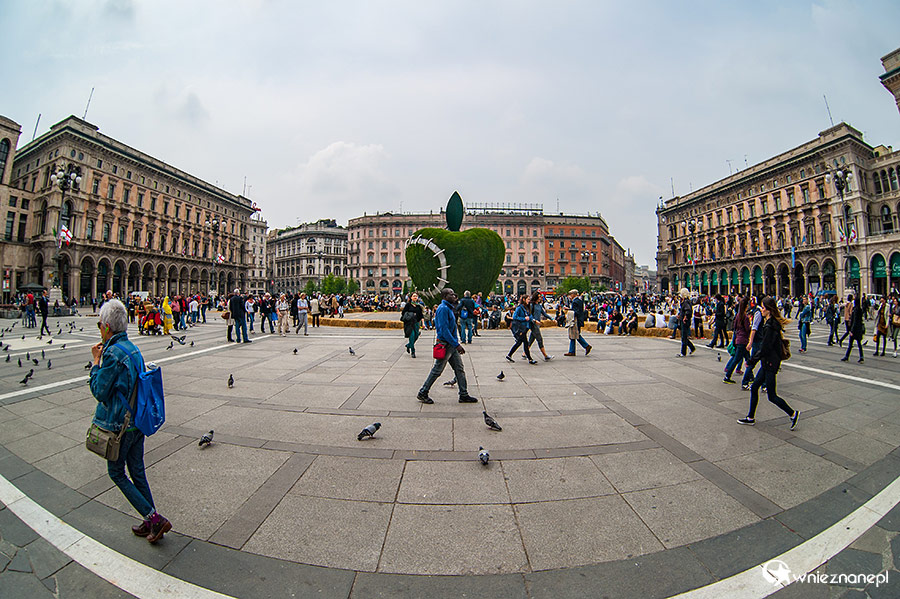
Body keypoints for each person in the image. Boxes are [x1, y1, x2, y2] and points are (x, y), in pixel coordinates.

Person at [90, 299, 171, 543]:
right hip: (137, 421)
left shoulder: (113, 354)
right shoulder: (133, 348)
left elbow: (100, 391)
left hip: (121, 425)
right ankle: (151, 522)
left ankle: (154, 519)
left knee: (116, 472)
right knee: (136, 470)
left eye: (100, 325)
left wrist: (95, 362)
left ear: (106, 327)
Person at [737, 296, 799, 430]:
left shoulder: (770, 326)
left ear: (769, 310)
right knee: (754, 388)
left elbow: (765, 348)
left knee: (772, 395)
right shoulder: (771, 323)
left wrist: (751, 361)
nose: (762, 310)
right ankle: (750, 417)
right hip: (768, 363)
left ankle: (792, 413)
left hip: (770, 363)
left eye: (763, 308)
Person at [417, 288, 478, 404]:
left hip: (451, 345)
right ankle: (423, 392)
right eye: (451, 294)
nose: (454, 295)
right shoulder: (443, 309)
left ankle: (463, 394)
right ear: (445, 296)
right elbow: (444, 330)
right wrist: (457, 345)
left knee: (459, 369)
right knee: (437, 370)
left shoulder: (448, 308)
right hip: (446, 344)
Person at [724, 296, 750, 384]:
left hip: (738, 340)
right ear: (746, 306)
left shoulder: (738, 316)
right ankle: (727, 376)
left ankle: (751, 376)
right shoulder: (745, 317)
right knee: (737, 359)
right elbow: (747, 329)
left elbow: (734, 328)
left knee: (747, 358)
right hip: (743, 341)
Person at [506, 294, 537, 364]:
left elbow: (530, 315)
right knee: (525, 343)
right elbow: (515, 317)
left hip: (525, 327)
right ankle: (530, 359)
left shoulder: (527, 307)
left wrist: (532, 319)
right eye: (528, 299)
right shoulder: (519, 308)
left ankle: (509, 355)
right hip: (521, 328)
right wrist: (524, 319)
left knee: (520, 342)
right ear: (524, 300)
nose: (529, 301)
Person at [526, 291, 553, 361]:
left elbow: (544, 314)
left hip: (537, 324)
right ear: (536, 297)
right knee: (540, 339)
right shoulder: (532, 305)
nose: (541, 298)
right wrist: (534, 320)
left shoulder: (539, 306)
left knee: (531, 339)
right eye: (539, 297)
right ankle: (545, 355)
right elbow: (529, 315)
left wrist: (551, 318)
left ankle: (524, 352)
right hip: (534, 324)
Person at [564, 289, 592, 356]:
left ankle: (586, 346)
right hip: (579, 320)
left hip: (575, 320)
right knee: (574, 335)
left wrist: (568, 309)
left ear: (574, 294)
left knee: (575, 335)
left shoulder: (575, 302)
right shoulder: (580, 301)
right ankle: (572, 351)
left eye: (571, 294)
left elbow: (576, 312)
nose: (570, 296)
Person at [841, 294, 864, 363]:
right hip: (858, 329)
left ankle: (847, 356)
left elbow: (855, 321)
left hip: (855, 330)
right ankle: (861, 357)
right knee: (858, 344)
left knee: (851, 344)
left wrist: (852, 330)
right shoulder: (859, 309)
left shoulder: (856, 310)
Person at [401, 292, 424, 358]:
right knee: (412, 336)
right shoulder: (408, 305)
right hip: (409, 323)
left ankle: (408, 345)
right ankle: (413, 351)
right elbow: (403, 313)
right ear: (411, 297)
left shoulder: (418, 306)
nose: (415, 297)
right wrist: (410, 315)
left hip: (416, 323)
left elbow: (421, 315)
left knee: (416, 335)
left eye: (416, 296)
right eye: (414, 296)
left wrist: (423, 323)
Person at [676, 288, 695, 357]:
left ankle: (683, 352)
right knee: (684, 337)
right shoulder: (685, 301)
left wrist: (685, 317)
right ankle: (692, 348)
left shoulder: (686, 302)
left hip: (685, 322)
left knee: (684, 337)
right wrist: (679, 315)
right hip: (683, 320)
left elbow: (688, 310)